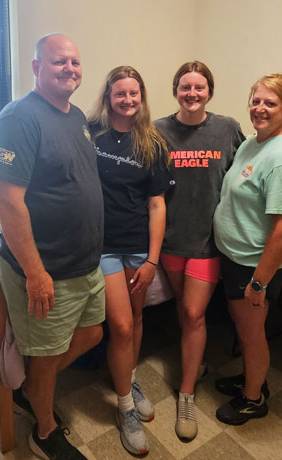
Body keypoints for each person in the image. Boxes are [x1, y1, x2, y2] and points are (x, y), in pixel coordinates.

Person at [0, 34, 104, 460]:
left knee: (92, 334)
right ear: (36, 67)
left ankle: (34, 384)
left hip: (85, 264)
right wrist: (36, 274)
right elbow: (7, 201)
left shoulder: (76, 117)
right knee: (48, 350)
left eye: (75, 62)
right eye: (59, 62)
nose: (70, 69)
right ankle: (44, 429)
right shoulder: (19, 118)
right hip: (47, 267)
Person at [153, 61, 245, 441]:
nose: (192, 93)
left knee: (193, 313)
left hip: (208, 242)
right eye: (185, 87)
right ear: (175, 90)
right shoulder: (158, 130)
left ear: (210, 91)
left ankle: (187, 392)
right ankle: (199, 362)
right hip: (171, 240)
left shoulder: (227, 128)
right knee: (182, 307)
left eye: (200, 87)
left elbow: (245, 174)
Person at [212, 73, 282, 425]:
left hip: (255, 267)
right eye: (256, 100)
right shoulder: (254, 142)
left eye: (270, 103)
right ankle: (251, 378)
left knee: (252, 335)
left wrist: (258, 283)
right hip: (237, 257)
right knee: (244, 330)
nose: (260, 108)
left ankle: (253, 399)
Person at [87, 66, 172, 455]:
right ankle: (125, 408)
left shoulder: (152, 143)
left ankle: (129, 379)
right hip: (103, 245)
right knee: (120, 326)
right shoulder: (89, 133)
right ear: (108, 97)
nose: (128, 100)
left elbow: (157, 204)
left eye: (134, 94)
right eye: (120, 94)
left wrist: (153, 259)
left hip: (138, 246)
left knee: (137, 320)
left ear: (142, 96)